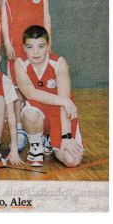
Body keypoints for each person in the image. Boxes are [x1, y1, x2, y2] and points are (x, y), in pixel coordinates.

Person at [1, 0, 52, 151]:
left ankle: (46, 131)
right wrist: (6, 42)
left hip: (39, 47)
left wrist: (48, 43)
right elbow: (3, 17)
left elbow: (46, 13)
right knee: (18, 91)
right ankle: (21, 130)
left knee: (41, 87)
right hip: (16, 46)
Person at [15, 25, 84, 167]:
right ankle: (36, 146)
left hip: (60, 115)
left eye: (40, 46)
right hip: (37, 113)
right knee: (29, 112)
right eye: (30, 47)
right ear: (23, 47)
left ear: (48, 45)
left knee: (72, 161)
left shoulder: (59, 63)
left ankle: (51, 140)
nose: (35, 52)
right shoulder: (20, 63)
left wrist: (66, 136)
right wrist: (64, 101)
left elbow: (64, 104)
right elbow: (30, 93)